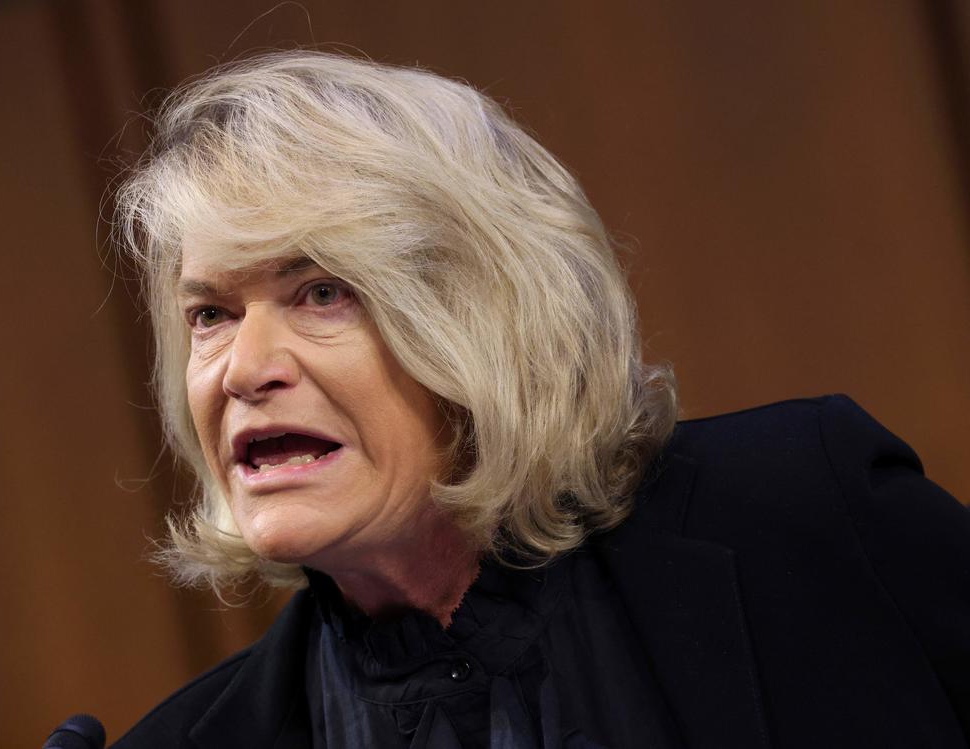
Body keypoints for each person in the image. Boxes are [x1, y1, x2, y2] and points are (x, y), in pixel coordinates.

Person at [109, 51, 970, 749]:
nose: (243, 368)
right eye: (211, 314)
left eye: (322, 292)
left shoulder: (806, 514)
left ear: (489, 313)